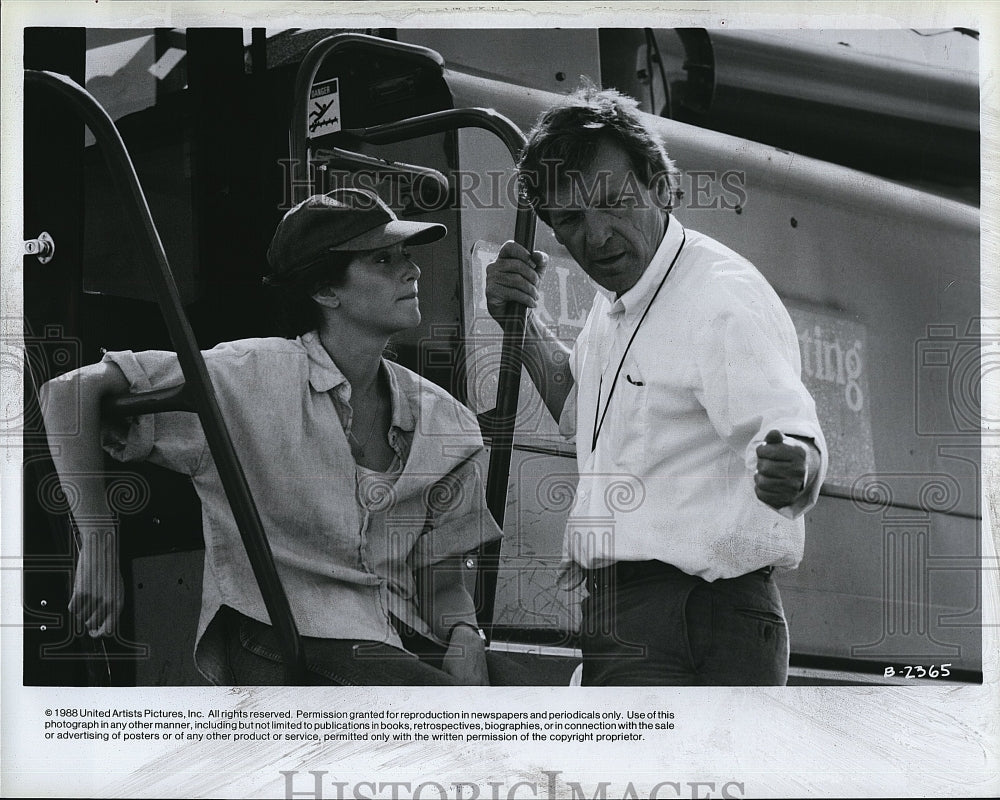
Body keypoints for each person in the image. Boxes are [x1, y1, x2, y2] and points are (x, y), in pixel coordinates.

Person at [41, 188, 505, 686]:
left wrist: (464, 634)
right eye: (383, 259)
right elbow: (67, 394)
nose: (411, 270)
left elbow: (443, 581)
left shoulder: (446, 422)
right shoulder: (250, 376)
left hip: (394, 640)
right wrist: (97, 538)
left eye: (406, 255)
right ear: (326, 291)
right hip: (278, 635)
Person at [484, 87, 828, 686]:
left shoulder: (719, 296)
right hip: (637, 617)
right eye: (569, 220)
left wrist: (795, 466)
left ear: (659, 185)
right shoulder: (618, 301)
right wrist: (521, 320)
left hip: (693, 617)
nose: (596, 236)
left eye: (613, 203)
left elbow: (790, 429)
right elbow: (577, 405)